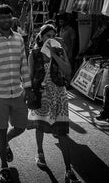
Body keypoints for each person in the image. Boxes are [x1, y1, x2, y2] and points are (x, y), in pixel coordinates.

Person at [0, 4, 33, 183]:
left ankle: (6, 143)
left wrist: (28, 88)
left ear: (12, 18)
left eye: (8, 17)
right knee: (1, 130)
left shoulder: (19, 39)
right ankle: (4, 166)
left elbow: (24, 65)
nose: (6, 20)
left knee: (21, 126)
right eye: (2, 18)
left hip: (17, 92)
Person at [27, 24, 80, 183]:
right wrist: (28, 93)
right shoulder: (34, 54)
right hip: (42, 94)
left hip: (59, 95)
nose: (50, 38)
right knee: (40, 126)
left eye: (53, 35)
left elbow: (68, 71)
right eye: (47, 35)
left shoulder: (60, 51)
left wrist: (55, 54)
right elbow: (30, 75)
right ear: (41, 37)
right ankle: (40, 152)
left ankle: (68, 169)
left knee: (62, 131)